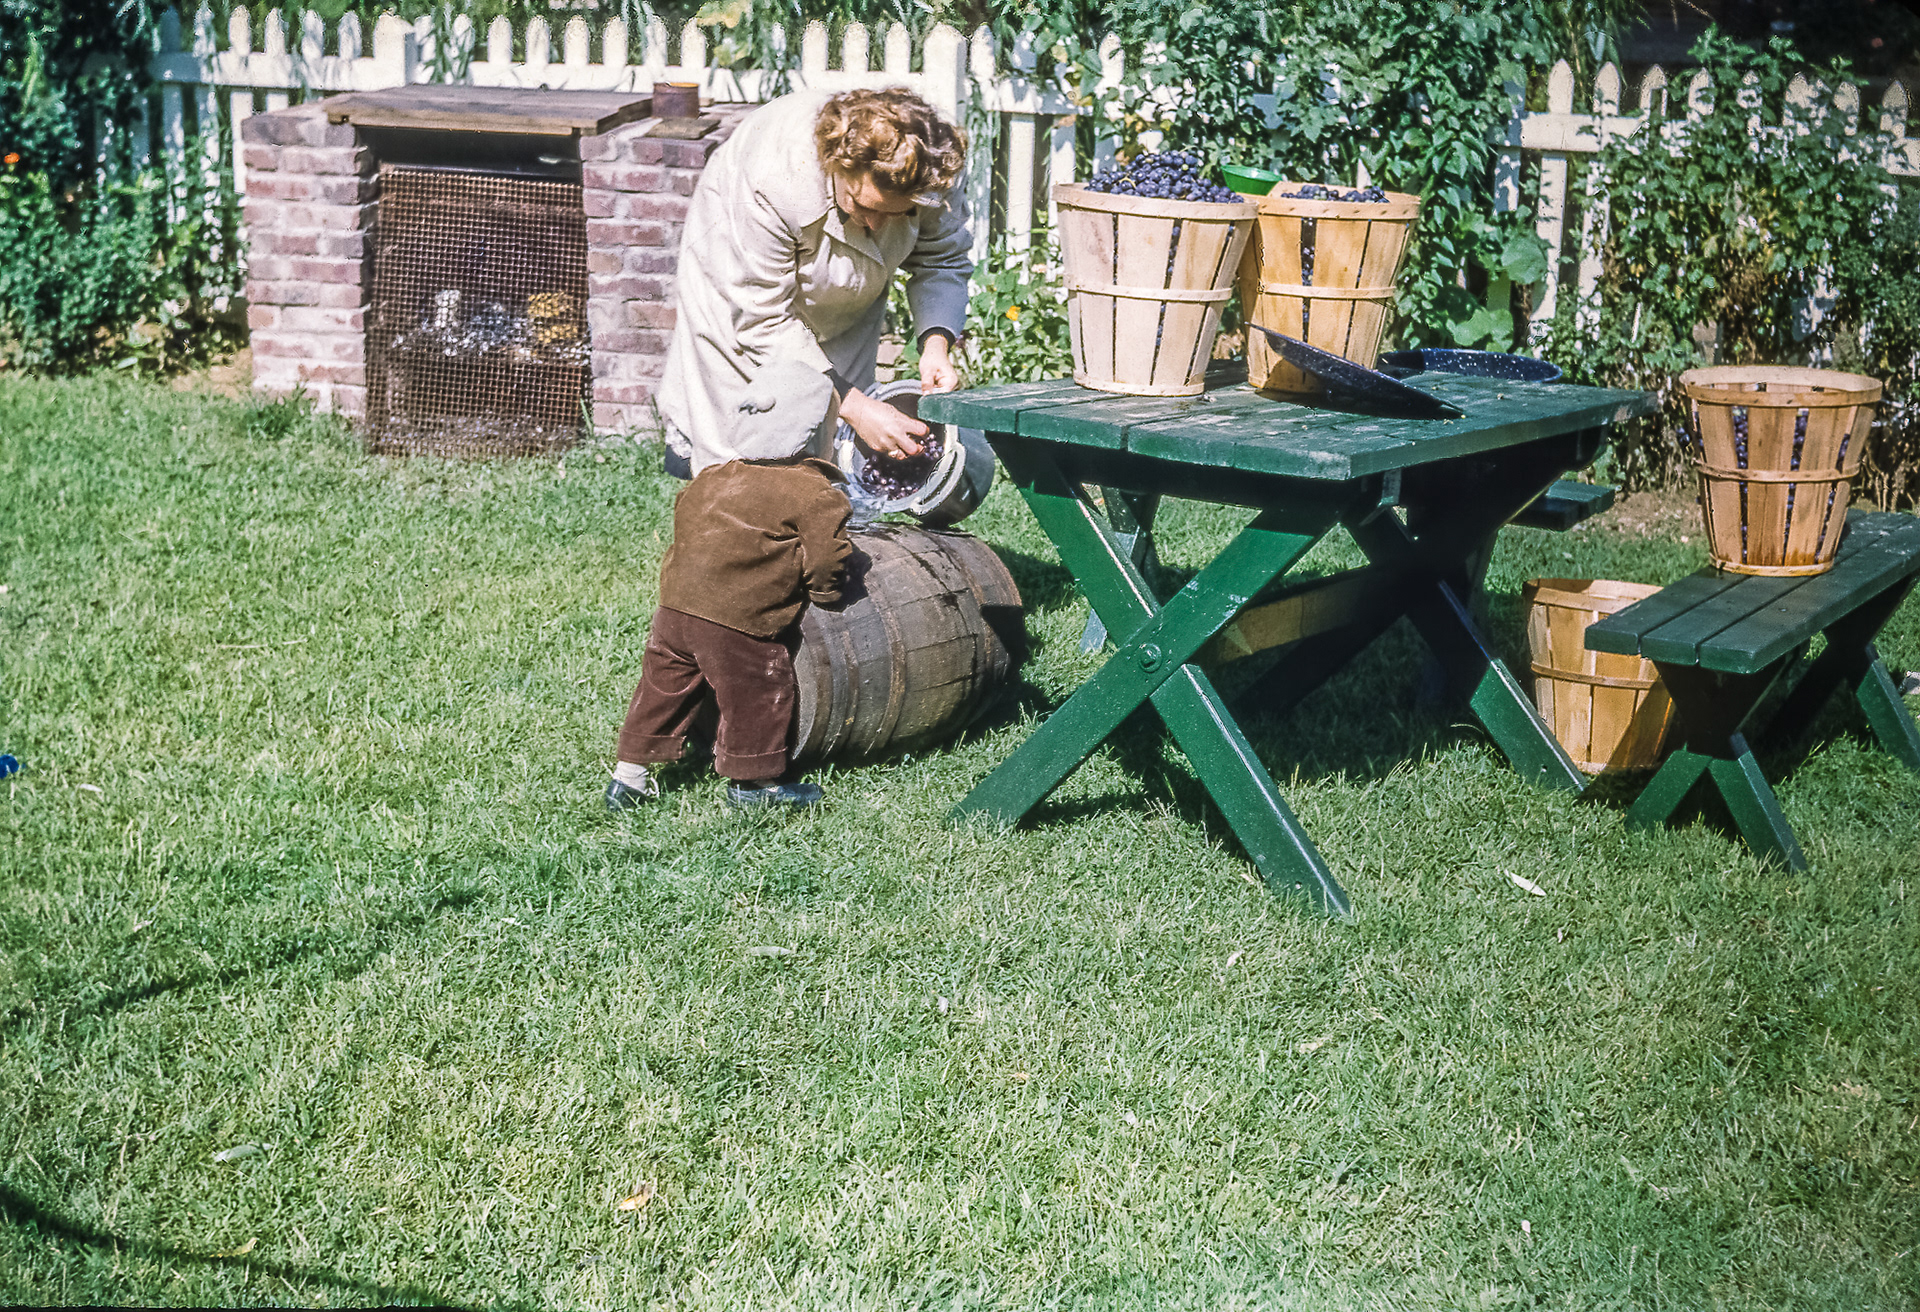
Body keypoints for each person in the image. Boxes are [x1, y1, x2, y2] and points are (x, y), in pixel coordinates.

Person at [656, 86, 972, 479]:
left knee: (834, 446)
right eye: (864, 207)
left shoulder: (932, 169)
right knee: (739, 446)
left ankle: (822, 498)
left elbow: (942, 259)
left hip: (843, 297)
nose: (876, 226)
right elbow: (761, 322)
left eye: (898, 214)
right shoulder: (772, 174)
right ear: (838, 164)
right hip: (743, 281)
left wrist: (935, 345)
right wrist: (858, 408)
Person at [607, 359, 851, 810]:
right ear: (817, 435)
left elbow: (687, 526)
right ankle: (753, 783)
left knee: (662, 689)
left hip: (674, 610)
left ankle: (629, 777)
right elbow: (827, 558)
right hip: (733, 621)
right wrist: (825, 593)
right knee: (757, 688)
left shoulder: (712, 477)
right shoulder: (811, 492)